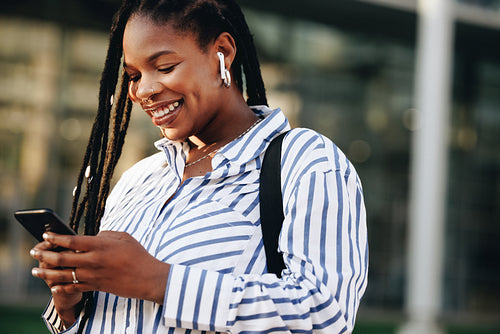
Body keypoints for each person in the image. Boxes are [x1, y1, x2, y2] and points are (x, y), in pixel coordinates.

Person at [29, 0, 368, 333]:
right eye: (133, 75)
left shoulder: (305, 160)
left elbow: (324, 314)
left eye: (164, 67)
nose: (143, 90)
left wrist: (157, 280)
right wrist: (70, 308)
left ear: (222, 52)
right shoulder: (139, 179)